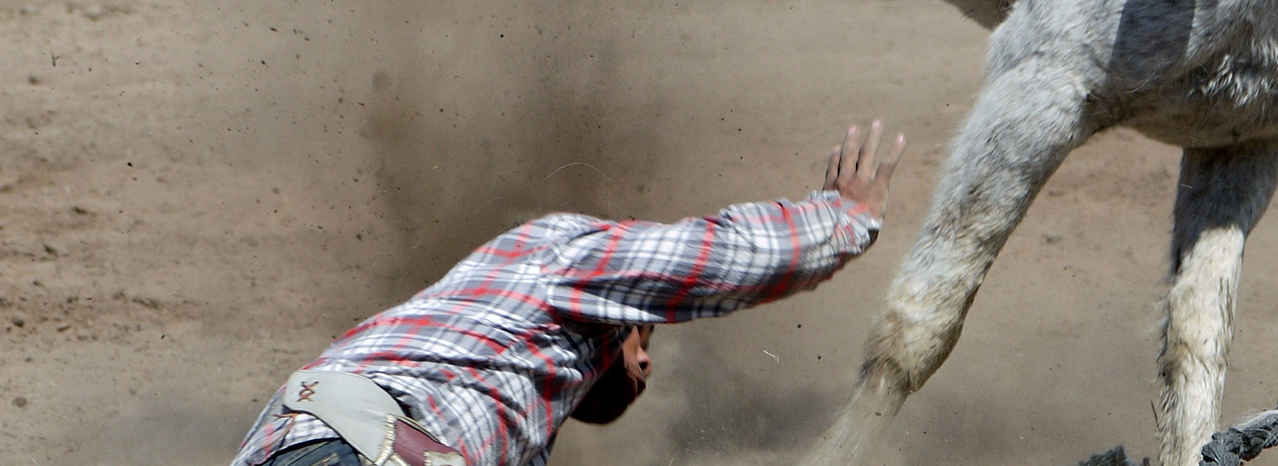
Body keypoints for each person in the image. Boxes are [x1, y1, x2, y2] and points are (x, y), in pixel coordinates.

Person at [231, 121, 906, 466]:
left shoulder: (456, 357)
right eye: (647, 338)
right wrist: (842, 218)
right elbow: (714, 258)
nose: (646, 368)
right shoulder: (559, 256)